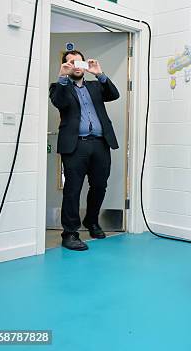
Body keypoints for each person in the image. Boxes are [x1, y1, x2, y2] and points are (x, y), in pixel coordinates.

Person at [49, 50, 120, 251]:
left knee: (99, 186)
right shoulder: (58, 86)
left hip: (100, 143)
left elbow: (114, 94)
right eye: (70, 63)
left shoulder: (96, 85)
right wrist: (62, 77)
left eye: (77, 62)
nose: (75, 65)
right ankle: (70, 233)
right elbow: (59, 102)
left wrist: (99, 73)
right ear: (65, 66)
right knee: (72, 190)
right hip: (75, 145)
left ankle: (91, 221)